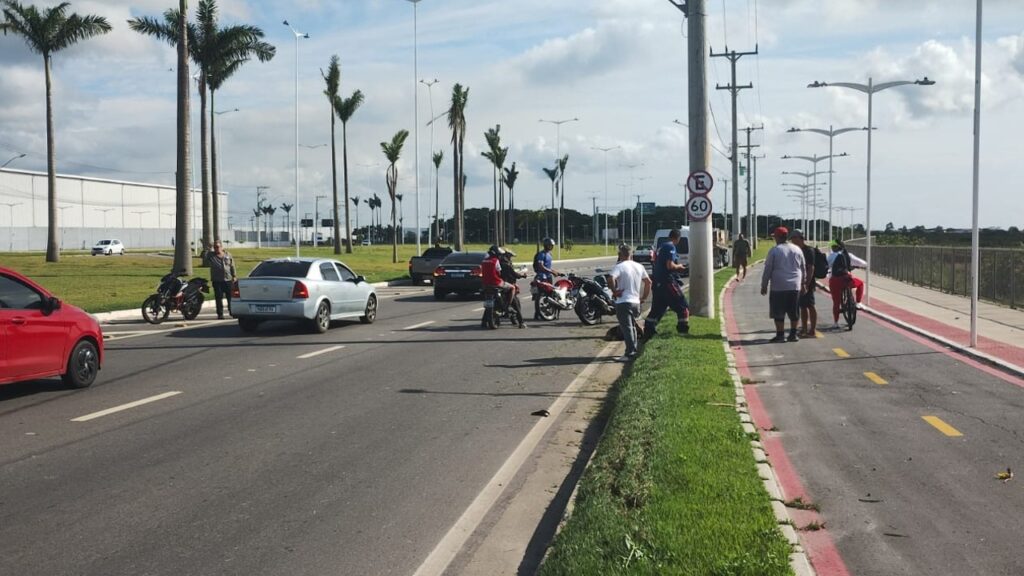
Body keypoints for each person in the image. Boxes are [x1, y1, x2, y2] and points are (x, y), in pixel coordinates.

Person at [760, 226, 805, 343]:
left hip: (779, 286)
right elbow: (803, 268)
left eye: (775, 237)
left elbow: (768, 269)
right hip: (795, 286)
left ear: (778, 237)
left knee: (778, 311)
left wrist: (764, 285)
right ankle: (793, 334)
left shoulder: (775, 250)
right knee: (794, 311)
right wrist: (803, 283)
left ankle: (780, 335)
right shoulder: (797, 249)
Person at [608, 244, 652, 362]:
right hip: (635, 302)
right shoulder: (639, 266)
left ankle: (630, 353)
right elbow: (648, 282)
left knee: (627, 328)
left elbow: (610, 278)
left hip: (623, 302)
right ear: (631, 254)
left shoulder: (619, 266)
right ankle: (634, 349)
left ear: (620, 255)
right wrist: (643, 297)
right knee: (633, 327)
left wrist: (614, 291)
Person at [643, 229, 690, 337]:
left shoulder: (661, 247)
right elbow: (670, 265)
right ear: (678, 238)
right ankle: (683, 331)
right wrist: (679, 267)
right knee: (683, 307)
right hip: (667, 281)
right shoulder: (670, 247)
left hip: (658, 282)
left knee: (658, 308)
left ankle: (648, 331)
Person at [827, 240, 866, 329]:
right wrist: (856, 266)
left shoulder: (831, 256)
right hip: (847, 280)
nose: (832, 248)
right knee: (860, 283)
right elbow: (864, 263)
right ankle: (858, 303)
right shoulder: (849, 255)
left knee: (836, 302)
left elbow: (826, 266)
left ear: (835, 247)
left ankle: (836, 322)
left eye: (833, 247)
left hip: (835, 281)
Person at [788, 229, 818, 337]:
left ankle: (812, 329)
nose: (792, 240)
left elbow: (811, 268)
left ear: (799, 238)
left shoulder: (808, 251)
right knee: (802, 306)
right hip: (798, 282)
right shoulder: (795, 250)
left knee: (810, 305)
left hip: (807, 282)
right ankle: (804, 328)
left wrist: (806, 283)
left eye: (793, 238)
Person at [481, 245, 514, 329]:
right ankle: (508, 305)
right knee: (512, 288)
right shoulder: (496, 261)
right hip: (496, 283)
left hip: (485, 284)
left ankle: (484, 321)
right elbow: (499, 272)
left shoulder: (484, 261)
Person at [204, 239, 236, 320]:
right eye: (215, 247)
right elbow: (203, 255)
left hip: (228, 279)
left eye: (218, 247)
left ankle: (232, 311)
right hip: (217, 280)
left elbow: (232, 266)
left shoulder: (228, 254)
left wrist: (234, 276)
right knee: (218, 298)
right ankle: (220, 314)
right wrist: (208, 248)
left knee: (230, 297)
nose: (216, 248)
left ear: (221, 247)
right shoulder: (211, 255)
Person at [532, 237, 560, 321]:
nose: (551, 247)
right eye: (550, 245)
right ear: (545, 245)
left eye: (552, 245)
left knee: (551, 295)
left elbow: (548, 266)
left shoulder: (550, 254)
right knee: (540, 295)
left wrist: (554, 271)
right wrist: (552, 271)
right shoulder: (542, 254)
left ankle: (550, 313)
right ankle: (537, 313)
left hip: (548, 276)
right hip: (542, 276)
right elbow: (541, 266)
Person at [498, 248, 527, 328]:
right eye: (510, 256)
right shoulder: (506, 264)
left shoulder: (498, 263)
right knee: (515, 303)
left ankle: (484, 322)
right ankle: (521, 322)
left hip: (498, 284)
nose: (510, 258)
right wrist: (522, 276)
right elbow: (514, 274)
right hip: (506, 285)